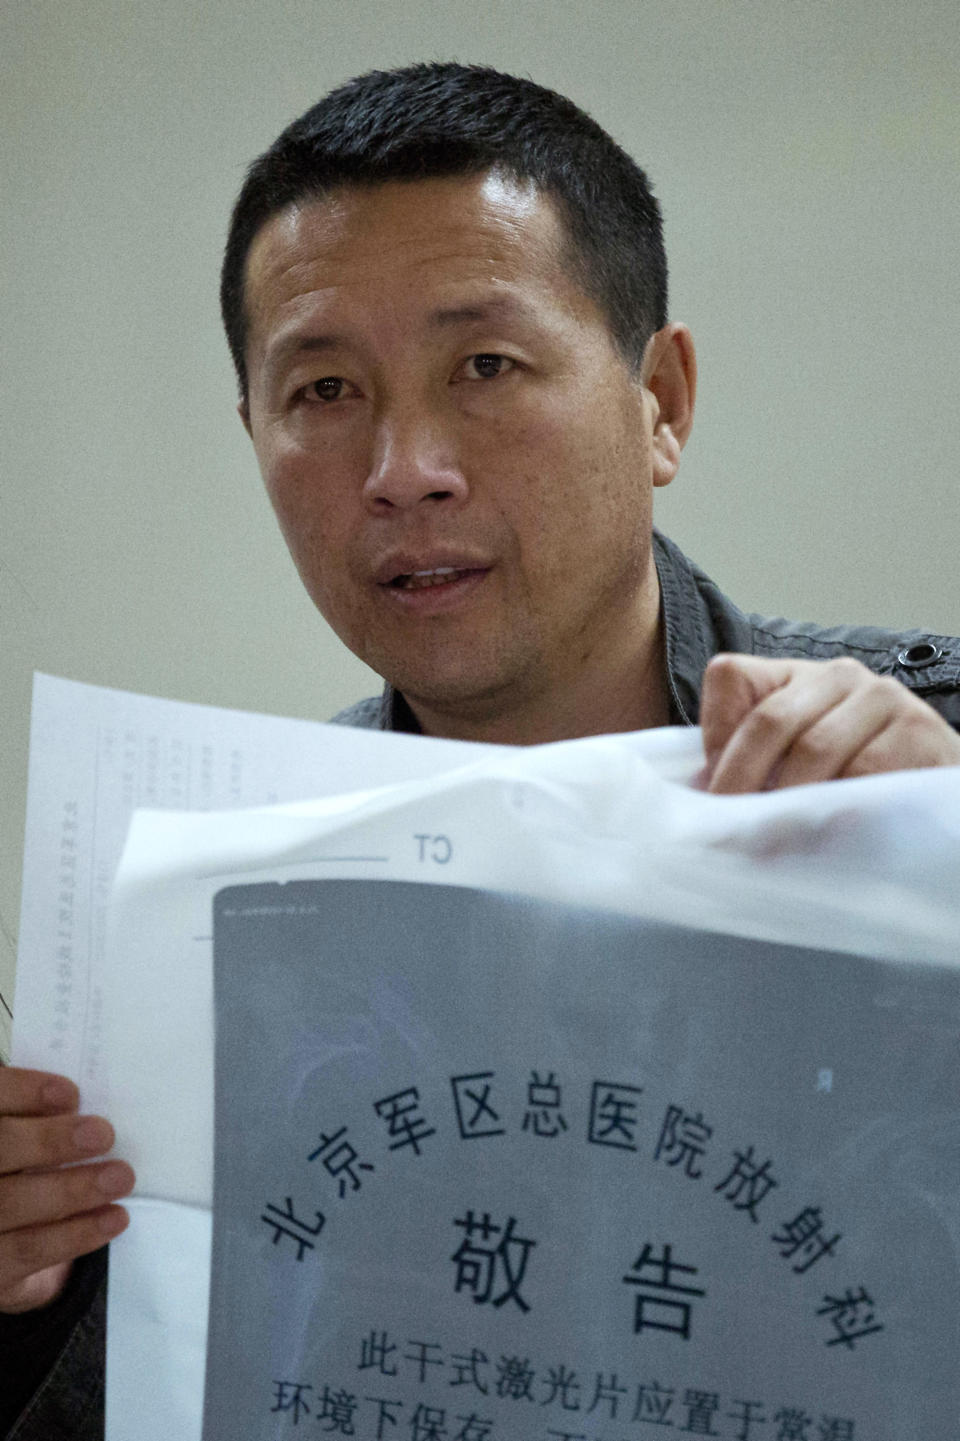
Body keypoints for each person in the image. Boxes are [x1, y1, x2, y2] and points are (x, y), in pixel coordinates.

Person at [2, 61, 958, 1439]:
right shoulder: (203, 919)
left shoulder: (929, 768)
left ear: (662, 400)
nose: (403, 466)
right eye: (324, 390)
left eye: (486, 365)